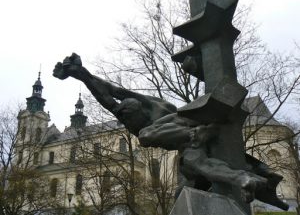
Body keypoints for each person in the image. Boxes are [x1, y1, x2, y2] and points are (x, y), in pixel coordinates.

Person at [53, 53, 289, 210]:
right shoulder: (133, 116)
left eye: (130, 117)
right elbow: (105, 96)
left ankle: (236, 169)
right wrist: (80, 74)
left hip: (195, 130)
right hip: (191, 147)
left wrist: (81, 73)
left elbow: (111, 90)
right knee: (189, 182)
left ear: (140, 111)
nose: (127, 121)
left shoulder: (155, 109)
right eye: (125, 117)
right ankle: (245, 180)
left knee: (149, 139)